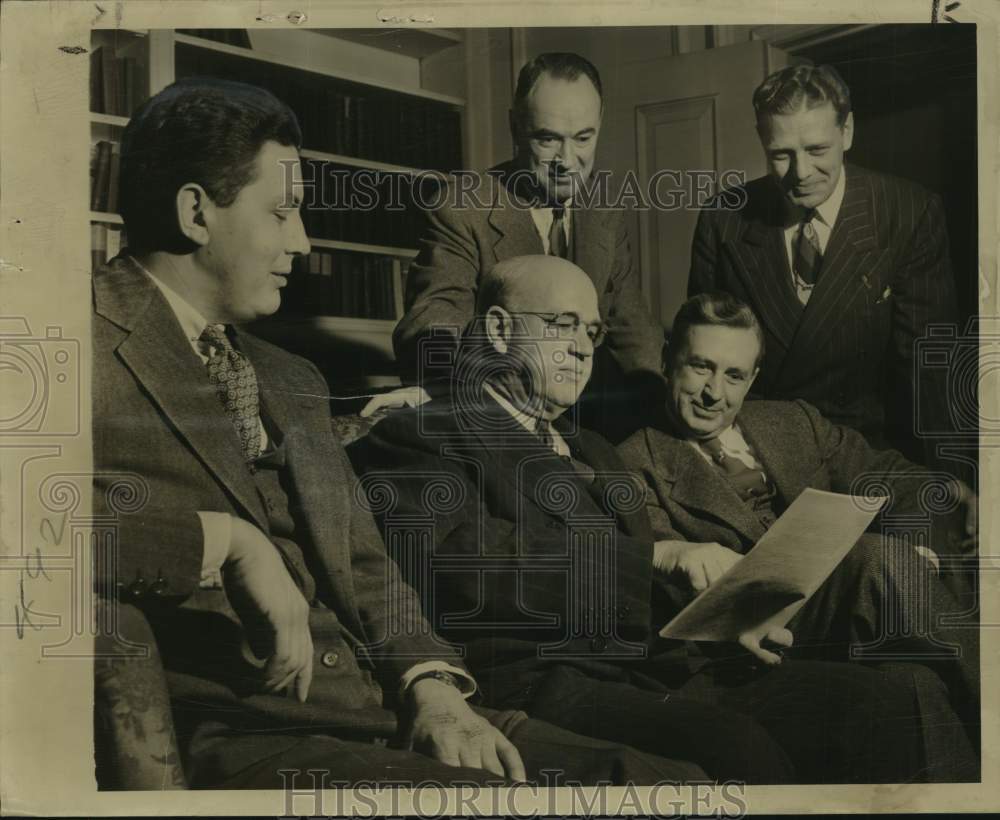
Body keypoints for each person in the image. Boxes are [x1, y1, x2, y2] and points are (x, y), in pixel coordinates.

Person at [91, 76, 707, 789]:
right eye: (283, 213)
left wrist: (431, 683)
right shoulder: (66, 343)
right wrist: (222, 542)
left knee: (681, 782)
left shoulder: (292, 378)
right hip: (248, 730)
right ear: (196, 213)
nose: (304, 240)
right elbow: (26, 536)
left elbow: (367, 566)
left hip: (392, 712)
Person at [349, 254, 958, 784]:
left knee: (894, 695)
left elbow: (652, 589)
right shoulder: (425, 435)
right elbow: (466, 570)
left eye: (590, 331)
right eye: (562, 326)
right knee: (739, 748)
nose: (582, 347)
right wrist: (658, 558)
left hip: (661, 662)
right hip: (547, 679)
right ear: (502, 330)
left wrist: (726, 618)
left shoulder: (593, 449)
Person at [617, 291, 979, 765]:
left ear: (752, 381)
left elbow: (888, 477)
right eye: (700, 367)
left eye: (734, 376)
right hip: (748, 639)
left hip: (848, 614)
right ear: (668, 360)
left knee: (916, 682)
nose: (714, 393)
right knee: (875, 557)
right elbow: (667, 595)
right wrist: (895, 560)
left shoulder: (794, 421)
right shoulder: (631, 464)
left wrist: (956, 494)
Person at [688, 64, 960, 470]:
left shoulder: (907, 213)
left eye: (817, 150)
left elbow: (930, 370)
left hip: (868, 456)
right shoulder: (723, 218)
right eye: (781, 155)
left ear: (846, 132)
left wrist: (952, 482)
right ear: (763, 142)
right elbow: (701, 358)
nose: (801, 173)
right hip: (757, 454)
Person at [383, 52, 665, 442]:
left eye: (584, 138)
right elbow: (434, 321)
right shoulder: (464, 207)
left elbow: (630, 325)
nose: (567, 162)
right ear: (514, 127)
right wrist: (447, 393)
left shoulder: (605, 208)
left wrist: (662, 410)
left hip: (588, 423)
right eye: (548, 139)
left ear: (599, 125)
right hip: (498, 420)